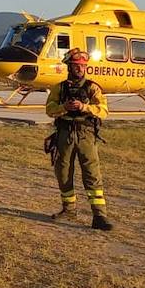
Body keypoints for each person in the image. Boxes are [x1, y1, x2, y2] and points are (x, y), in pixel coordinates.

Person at [44, 48, 112, 231]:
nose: (80, 69)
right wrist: (64, 107)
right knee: (63, 172)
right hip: (64, 133)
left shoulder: (92, 88)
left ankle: (99, 215)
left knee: (92, 174)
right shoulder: (59, 88)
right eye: (76, 66)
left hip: (86, 134)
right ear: (69, 67)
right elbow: (49, 109)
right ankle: (69, 209)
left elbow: (104, 111)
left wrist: (84, 107)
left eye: (82, 66)